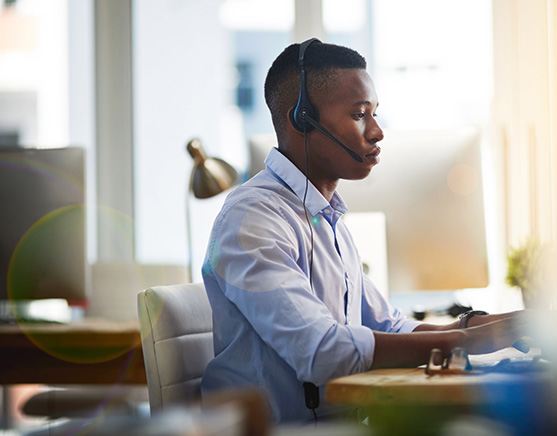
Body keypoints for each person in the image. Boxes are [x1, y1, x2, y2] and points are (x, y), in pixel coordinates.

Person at [200, 39, 533, 423]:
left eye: (375, 114)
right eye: (360, 115)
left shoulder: (327, 218)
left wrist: (499, 324)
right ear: (302, 119)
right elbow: (322, 351)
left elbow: (389, 326)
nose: (377, 132)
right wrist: (468, 341)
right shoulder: (253, 218)